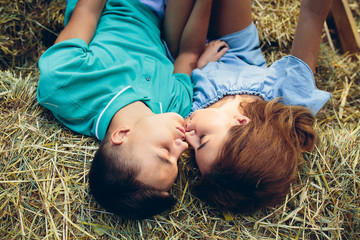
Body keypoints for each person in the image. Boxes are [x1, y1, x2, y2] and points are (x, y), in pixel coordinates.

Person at [37, 0, 212, 219]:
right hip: (164, 18)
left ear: (122, 135)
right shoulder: (174, 106)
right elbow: (187, 55)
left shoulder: (66, 82)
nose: (182, 146)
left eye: (165, 151)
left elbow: (88, 10)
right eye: (177, 160)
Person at [165, 0, 333, 213]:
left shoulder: (186, 114)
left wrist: (199, 67)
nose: (188, 137)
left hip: (190, 50)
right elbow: (312, 15)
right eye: (203, 140)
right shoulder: (285, 99)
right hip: (238, 49)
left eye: (194, 149)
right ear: (241, 121)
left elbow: (179, 73)